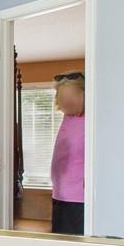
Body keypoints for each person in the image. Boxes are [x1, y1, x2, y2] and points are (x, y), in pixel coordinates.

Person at [50, 71, 85, 235]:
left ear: (84, 94)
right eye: (62, 97)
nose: (66, 101)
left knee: (74, 244)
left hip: (79, 199)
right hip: (60, 194)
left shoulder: (91, 120)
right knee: (59, 241)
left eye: (72, 96)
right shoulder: (68, 117)